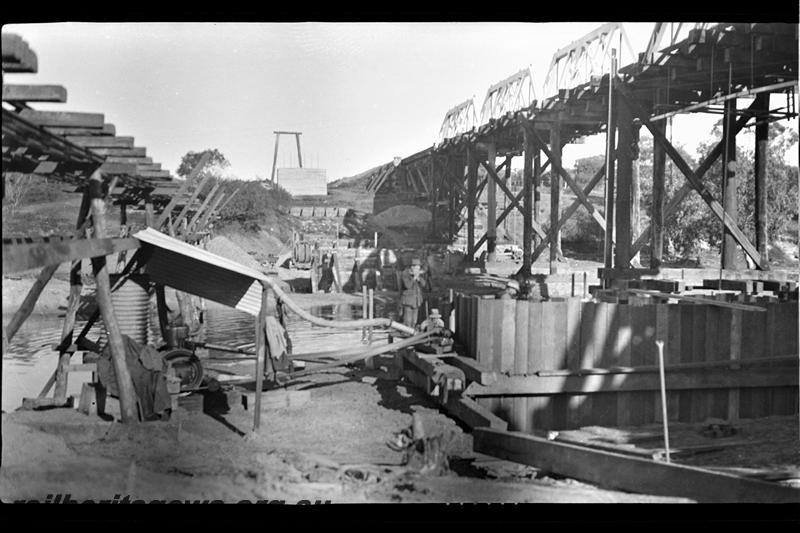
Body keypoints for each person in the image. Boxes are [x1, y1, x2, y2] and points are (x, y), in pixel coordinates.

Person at [400, 257, 431, 328]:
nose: (418, 270)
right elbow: (408, 285)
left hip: (416, 301)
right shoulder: (405, 274)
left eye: (418, 268)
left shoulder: (418, 275)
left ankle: (413, 332)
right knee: (408, 321)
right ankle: (407, 333)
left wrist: (419, 278)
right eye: (417, 268)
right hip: (408, 301)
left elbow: (424, 285)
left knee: (414, 321)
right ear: (412, 267)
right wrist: (414, 278)